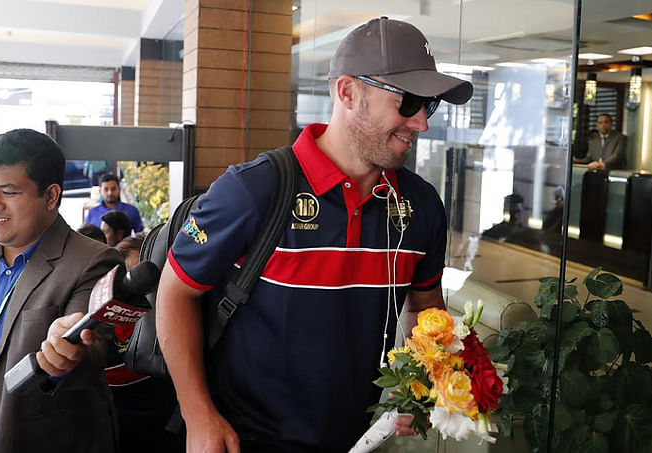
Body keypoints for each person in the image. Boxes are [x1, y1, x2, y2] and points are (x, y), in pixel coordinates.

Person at [156, 16, 473, 453]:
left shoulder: (421, 206)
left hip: (357, 440)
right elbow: (175, 292)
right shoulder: (254, 190)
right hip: (244, 439)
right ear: (348, 92)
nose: (421, 123)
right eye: (409, 102)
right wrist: (198, 415)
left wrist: (421, 385)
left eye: (429, 106)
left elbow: (424, 307)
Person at [0, 129, 123, 452]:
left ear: (51, 196)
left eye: (7, 192)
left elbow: (92, 351)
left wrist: (69, 351)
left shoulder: (93, 260)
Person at [109, 234, 181, 453]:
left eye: (143, 282)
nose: (133, 291)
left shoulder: (171, 327)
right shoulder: (102, 325)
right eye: (127, 280)